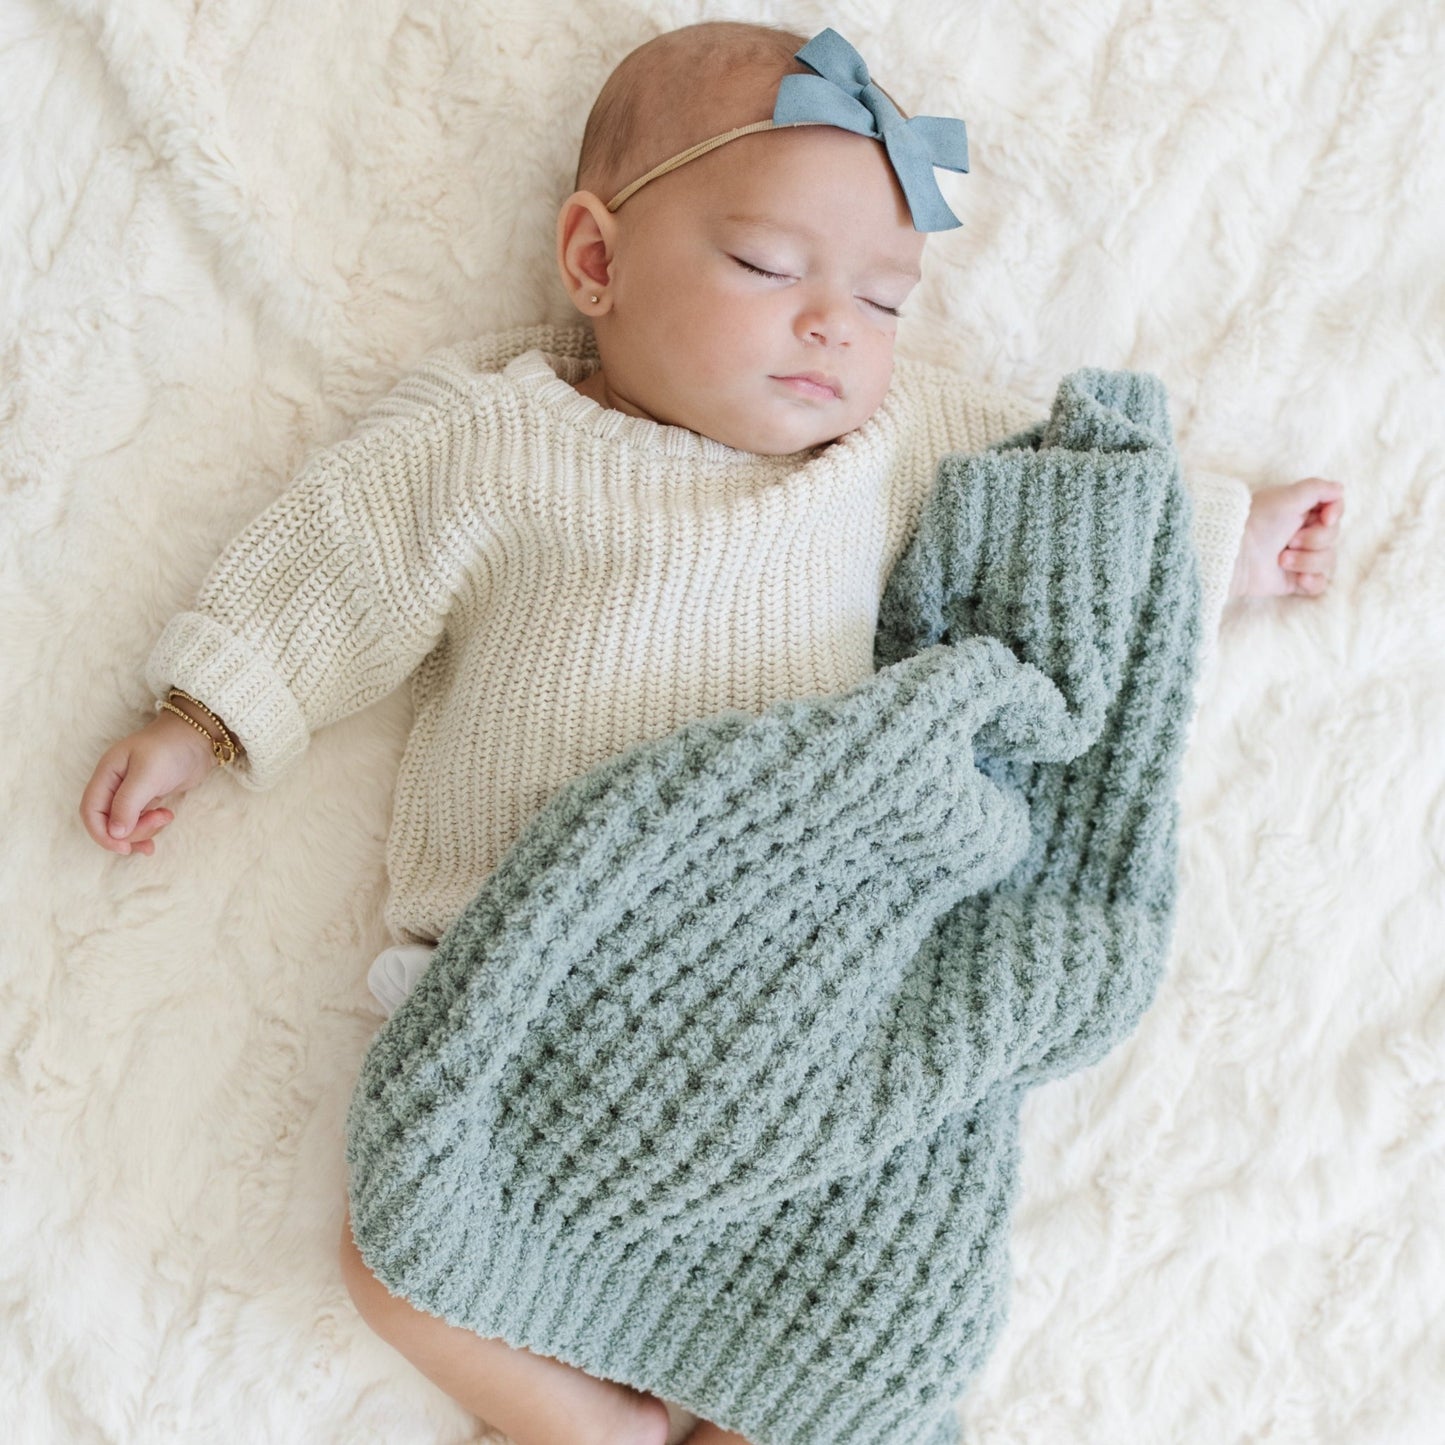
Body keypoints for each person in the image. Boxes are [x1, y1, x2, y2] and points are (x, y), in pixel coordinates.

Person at [76, 20, 1345, 1445]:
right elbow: (343, 559)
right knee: (404, 1254)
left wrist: (1220, 535)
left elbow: (1063, 519)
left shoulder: (887, 444)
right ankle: (598, 1427)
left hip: (799, 990)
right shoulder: (495, 440)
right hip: (541, 994)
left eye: (881, 299)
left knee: (852, 1313)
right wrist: (206, 715)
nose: (831, 328)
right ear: (597, 259)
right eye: (764, 265)